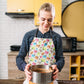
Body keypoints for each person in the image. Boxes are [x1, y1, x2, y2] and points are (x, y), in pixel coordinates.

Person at [16, 2, 65, 84]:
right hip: (32, 78)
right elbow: (19, 57)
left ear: (54, 18)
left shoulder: (57, 37)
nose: (46, 23)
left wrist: (57, 66)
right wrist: (25, 67)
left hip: (50, 79)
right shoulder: (28, 36)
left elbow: (61, 59)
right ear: (38, 17)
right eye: (43, 19)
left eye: (49, 20)